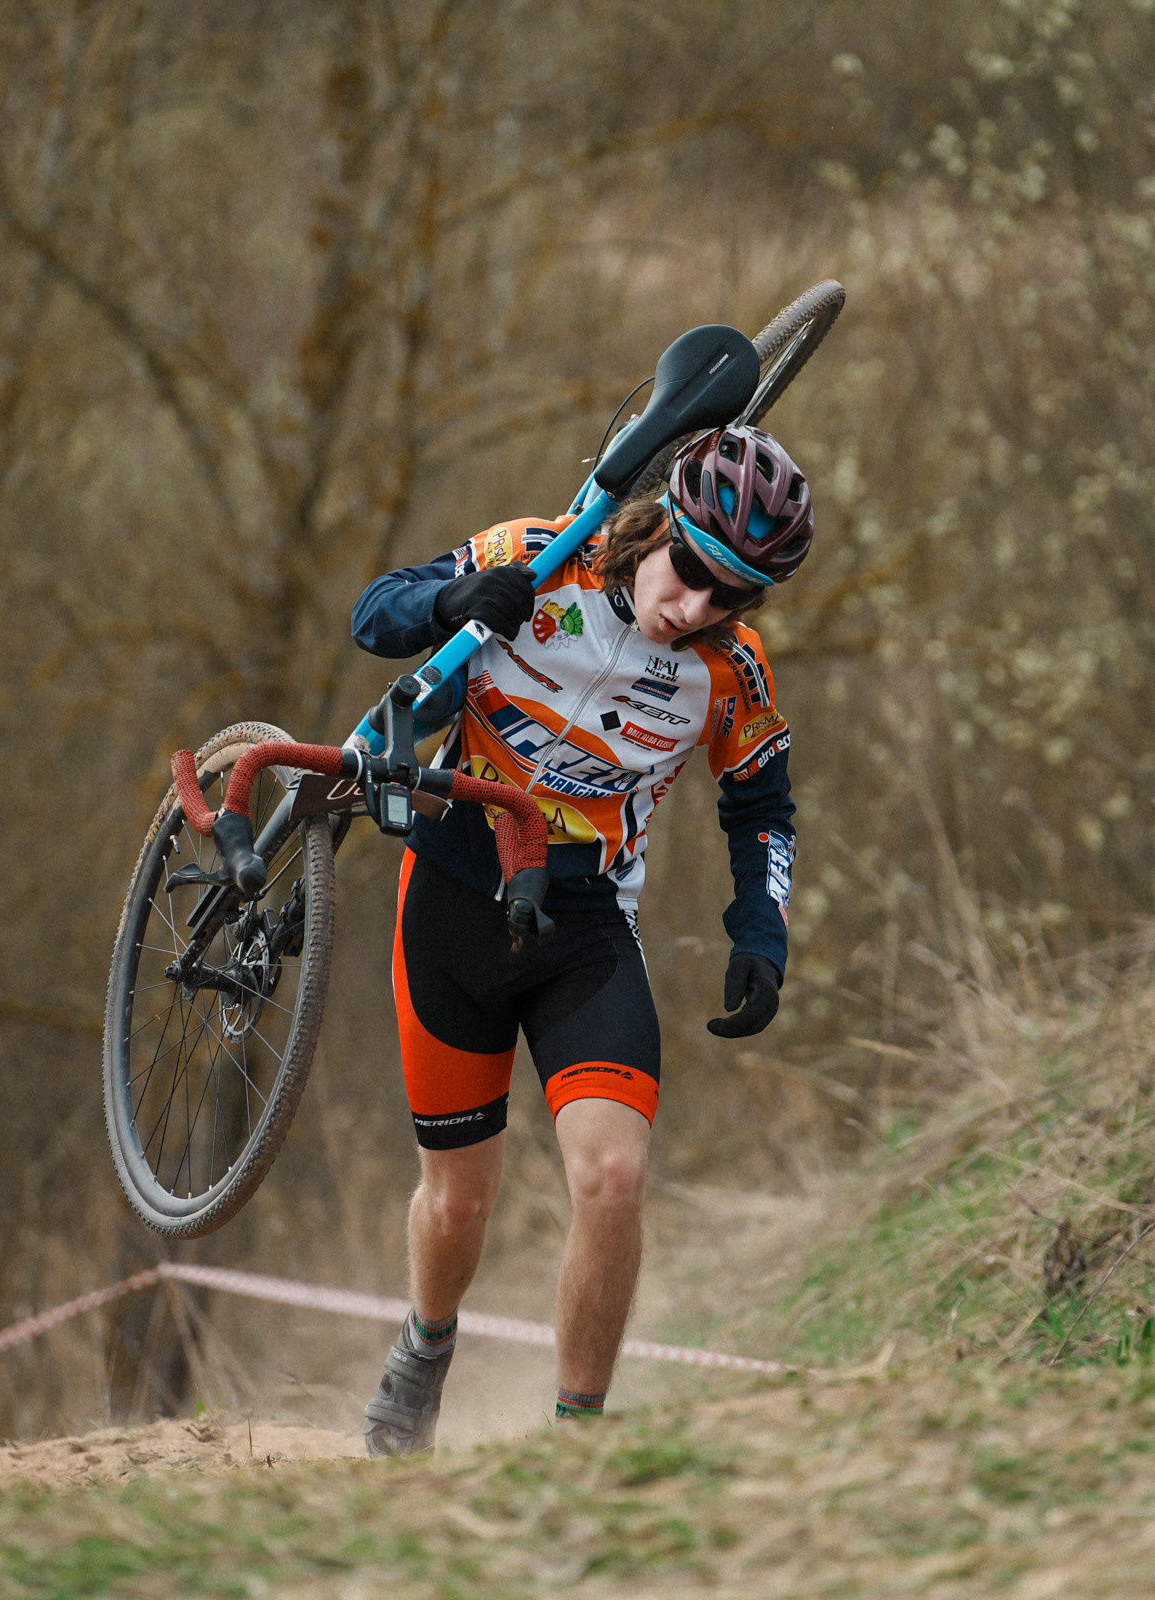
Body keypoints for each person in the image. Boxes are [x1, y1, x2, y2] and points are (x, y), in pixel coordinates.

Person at [346, 423, 815, 1455]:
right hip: (456, 897)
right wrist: (451, 603)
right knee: (459, 1203)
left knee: (611, 1177)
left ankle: (575, 1446)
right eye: (689, 569)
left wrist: (761, 928)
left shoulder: (731, 671)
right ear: (662, 525)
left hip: (586, 920)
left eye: (726, 596)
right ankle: (424, 1349)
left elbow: (764, 806)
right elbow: (372, 615)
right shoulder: (540, 554)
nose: (692, 606)